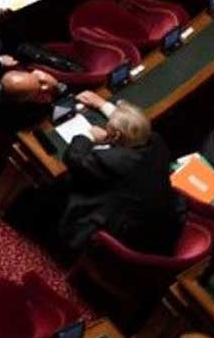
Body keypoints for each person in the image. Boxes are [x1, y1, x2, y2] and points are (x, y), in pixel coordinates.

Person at [53, 95, 182, 254]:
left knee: (68, 185)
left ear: (115, 136)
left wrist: (88, 136)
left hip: (129, 237)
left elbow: (75, 158)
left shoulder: (114, 160)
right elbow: (136, 126)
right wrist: (103, 105)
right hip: (166, 227)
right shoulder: (157, 142)